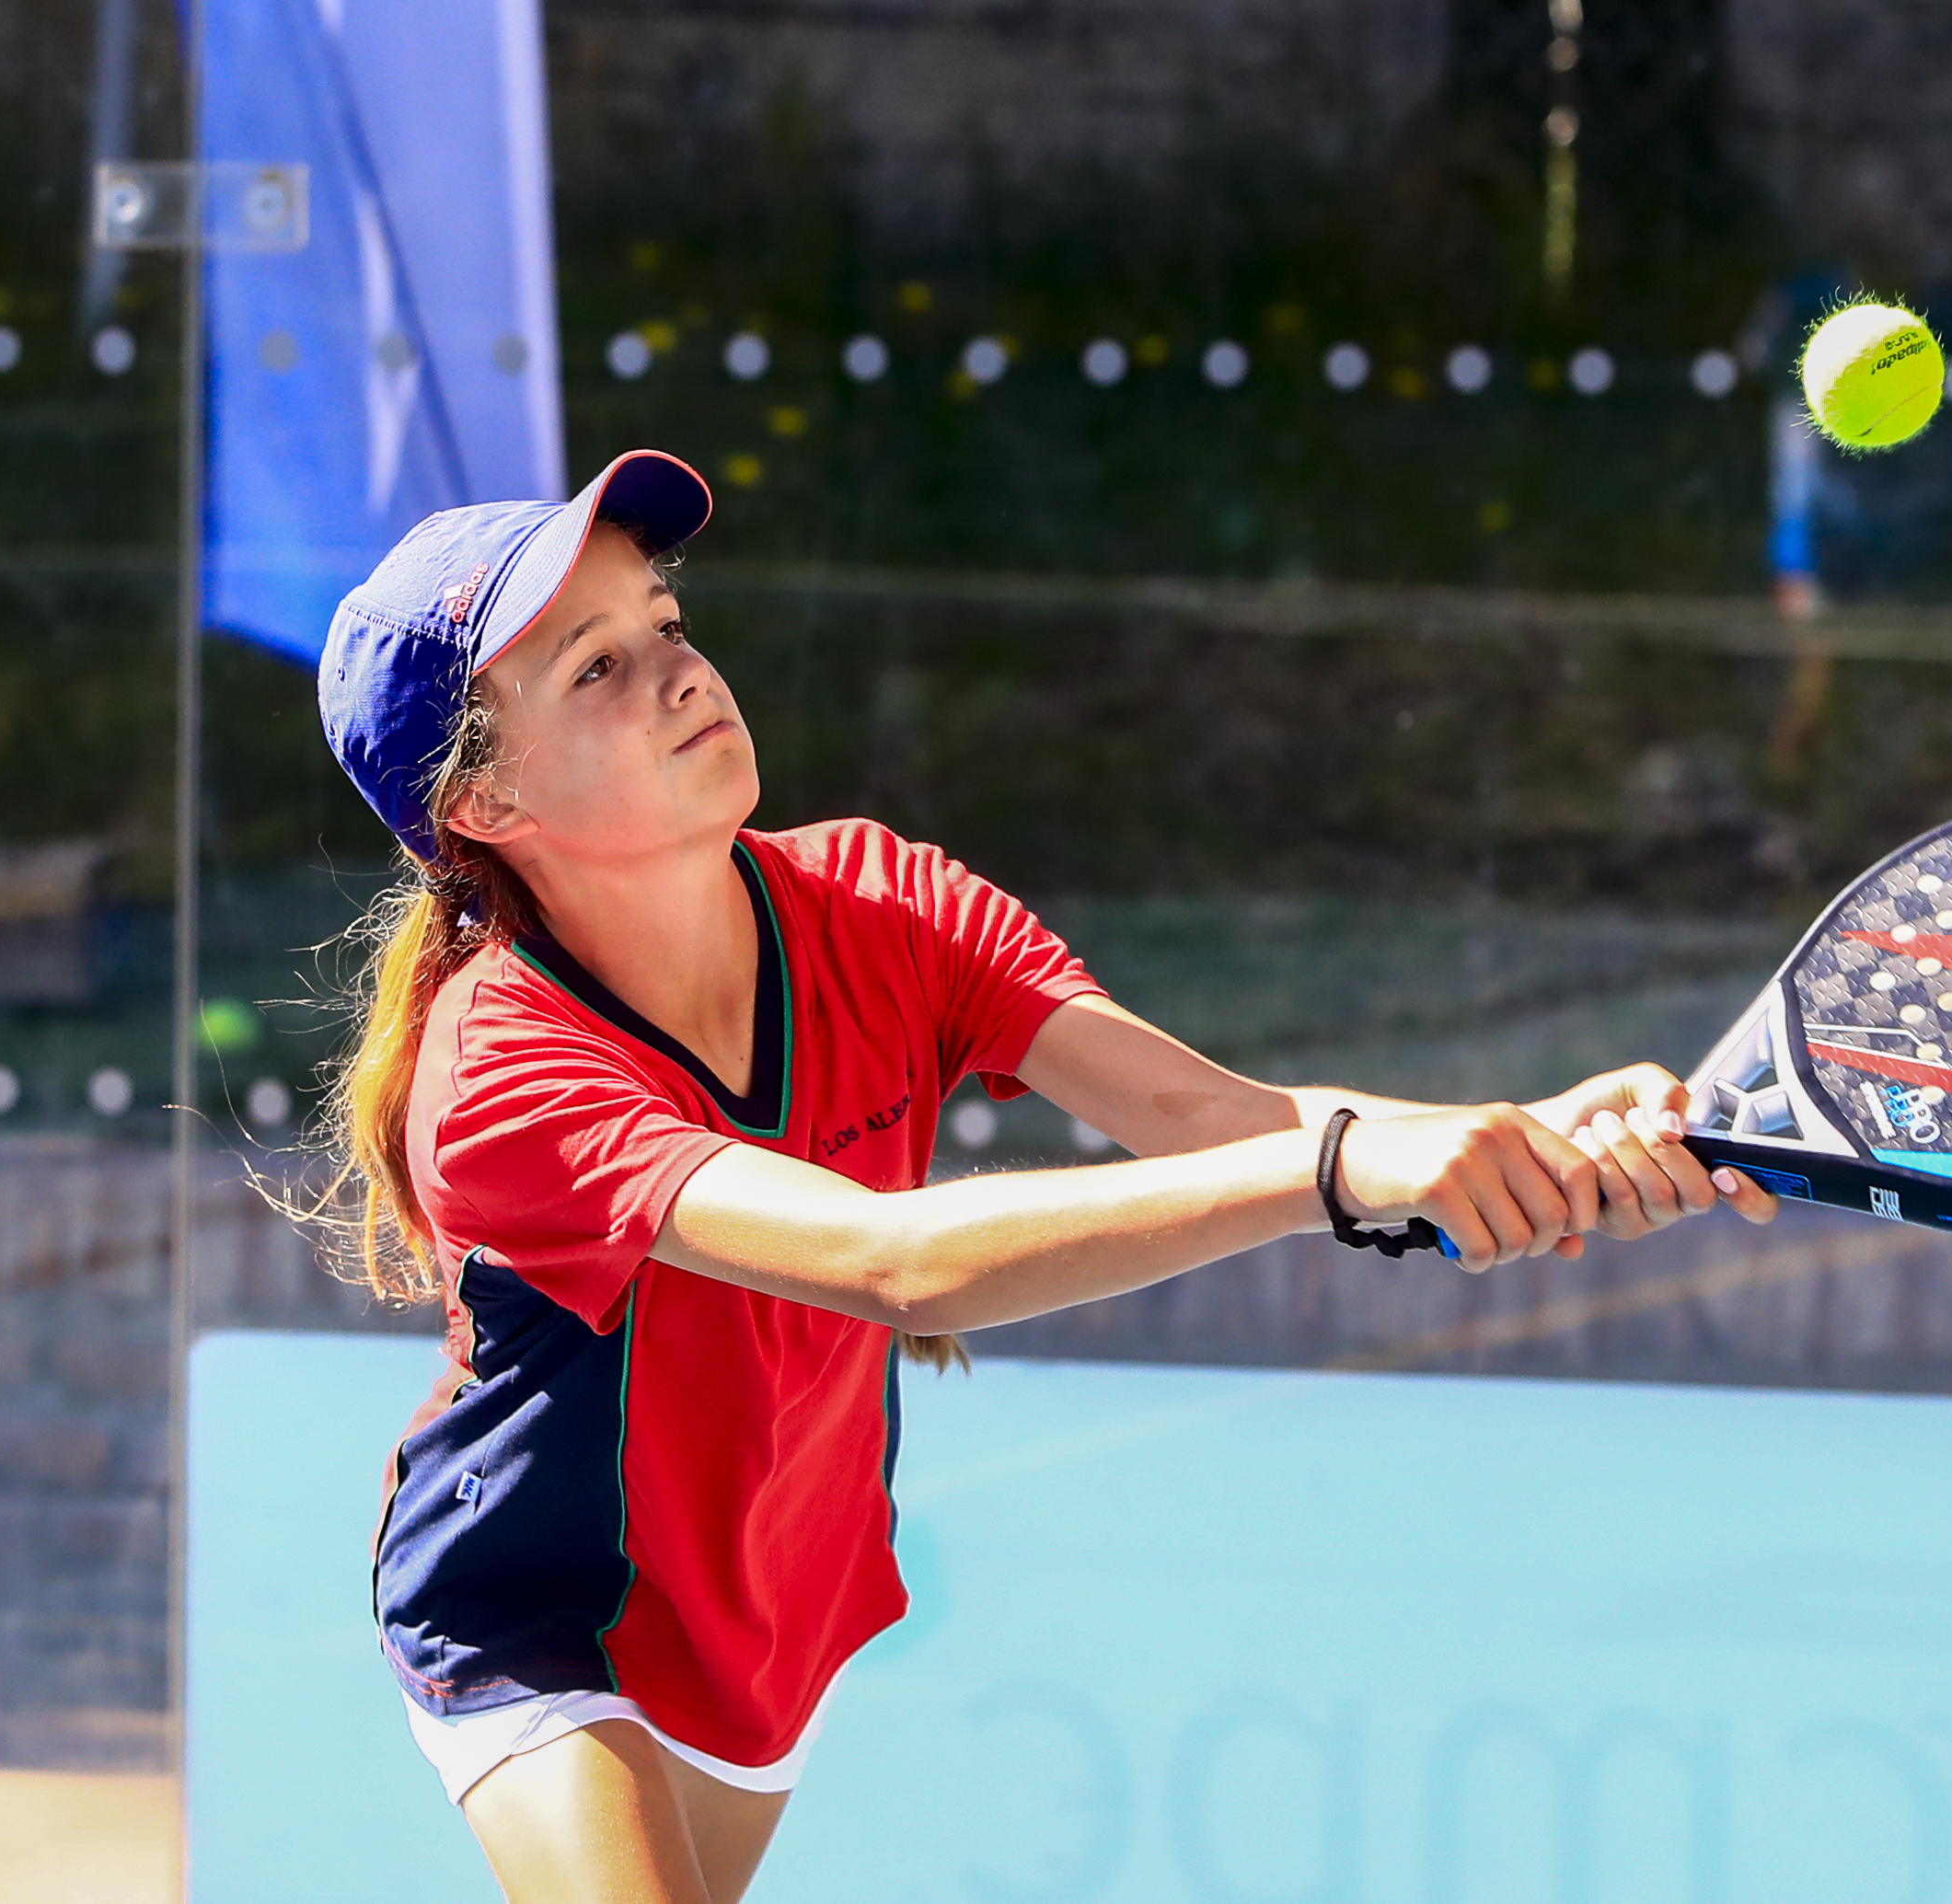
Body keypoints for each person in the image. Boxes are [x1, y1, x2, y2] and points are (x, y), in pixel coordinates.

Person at [308, 448, 1777, 1903]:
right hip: (540, 1614)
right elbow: (894, 1260)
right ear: (486, 807)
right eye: (596, 672)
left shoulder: (890, 900)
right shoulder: (501, 1066)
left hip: (779, 1602)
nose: (681, 675)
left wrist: (1523, 1132)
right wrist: (1345, 1169)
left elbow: (1211, 1115)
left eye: (668, 629)